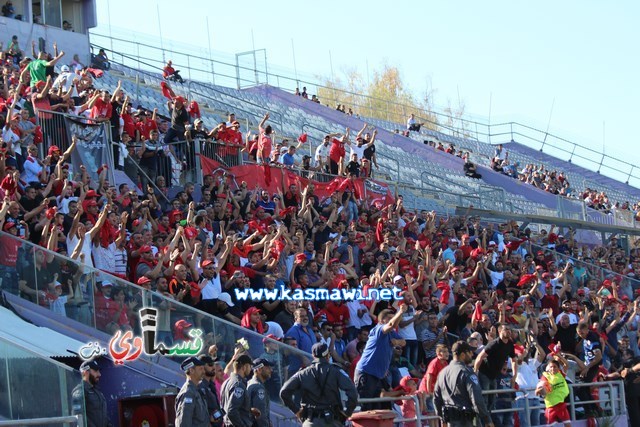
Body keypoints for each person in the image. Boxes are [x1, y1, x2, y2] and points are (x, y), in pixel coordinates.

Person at [280, 343, 358, 426]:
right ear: (328, 355)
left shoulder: (302, 373)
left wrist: (296, 411)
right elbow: (352, 392)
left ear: (313, 355)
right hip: (332, 422)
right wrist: (347, 413)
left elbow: (284, 392)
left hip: (311, 421)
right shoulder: (336, 371)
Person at [355, 306, 407, 410]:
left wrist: (396, 342)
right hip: (366, 373)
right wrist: (400, 312)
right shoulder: (378, 329)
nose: (394, 320)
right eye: (390, 318)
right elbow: (392, 324)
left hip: (379, 375)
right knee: (367, 408)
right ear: (382, 321)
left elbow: (404, 342)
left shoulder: (392, 333)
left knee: (383, 406)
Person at [433, 341, 493, 427]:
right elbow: (477, 398)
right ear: (462, 355)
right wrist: (487, 420)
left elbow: (436, 399)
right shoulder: (467, 372)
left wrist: (442, 418)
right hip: (467, 421)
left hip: (451, 422)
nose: (472, 354)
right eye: (470, 352)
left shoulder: (442, 373)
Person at [219, 354, 259, 427]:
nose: (251, 369)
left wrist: (249, 410)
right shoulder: (238, 385)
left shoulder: (226, 381)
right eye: (250, 366)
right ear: (244, 367)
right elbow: (231, 411)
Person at [72, 360, 113, 427]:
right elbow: (79, 416)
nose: (99, 374)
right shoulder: (79, 391)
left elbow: (104, 416)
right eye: (96, 371)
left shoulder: (97, 391)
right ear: (85, 372)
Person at [175, 356, 210, 427]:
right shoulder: (188, 393)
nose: (203, 371)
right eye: (200, 369)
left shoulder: (196, 390)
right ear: (191, 370)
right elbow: (183, 423)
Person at [535, 359, 570, 426]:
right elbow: (541, 385)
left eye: (554, 366)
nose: (553, 368)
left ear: (558, 368)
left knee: (568, 424)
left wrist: (558, 355)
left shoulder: (561, 374)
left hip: (561, 405)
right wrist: (538, 390)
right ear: (548, 367)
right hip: (551, 406)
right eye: (551, 367)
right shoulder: (545, 376)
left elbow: (566, 364)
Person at [198, 355, 224, 427]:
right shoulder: (200, 387)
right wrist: (209, 419)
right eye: (210, 365)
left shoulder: (210, 385)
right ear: (202, 367)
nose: (213, 368)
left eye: (213, 364)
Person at [248, 358, 274, 427]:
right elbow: (260, 415)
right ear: (259, 370)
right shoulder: (258, 388)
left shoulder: (249, 383)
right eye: (268, 368)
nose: (271, 370)